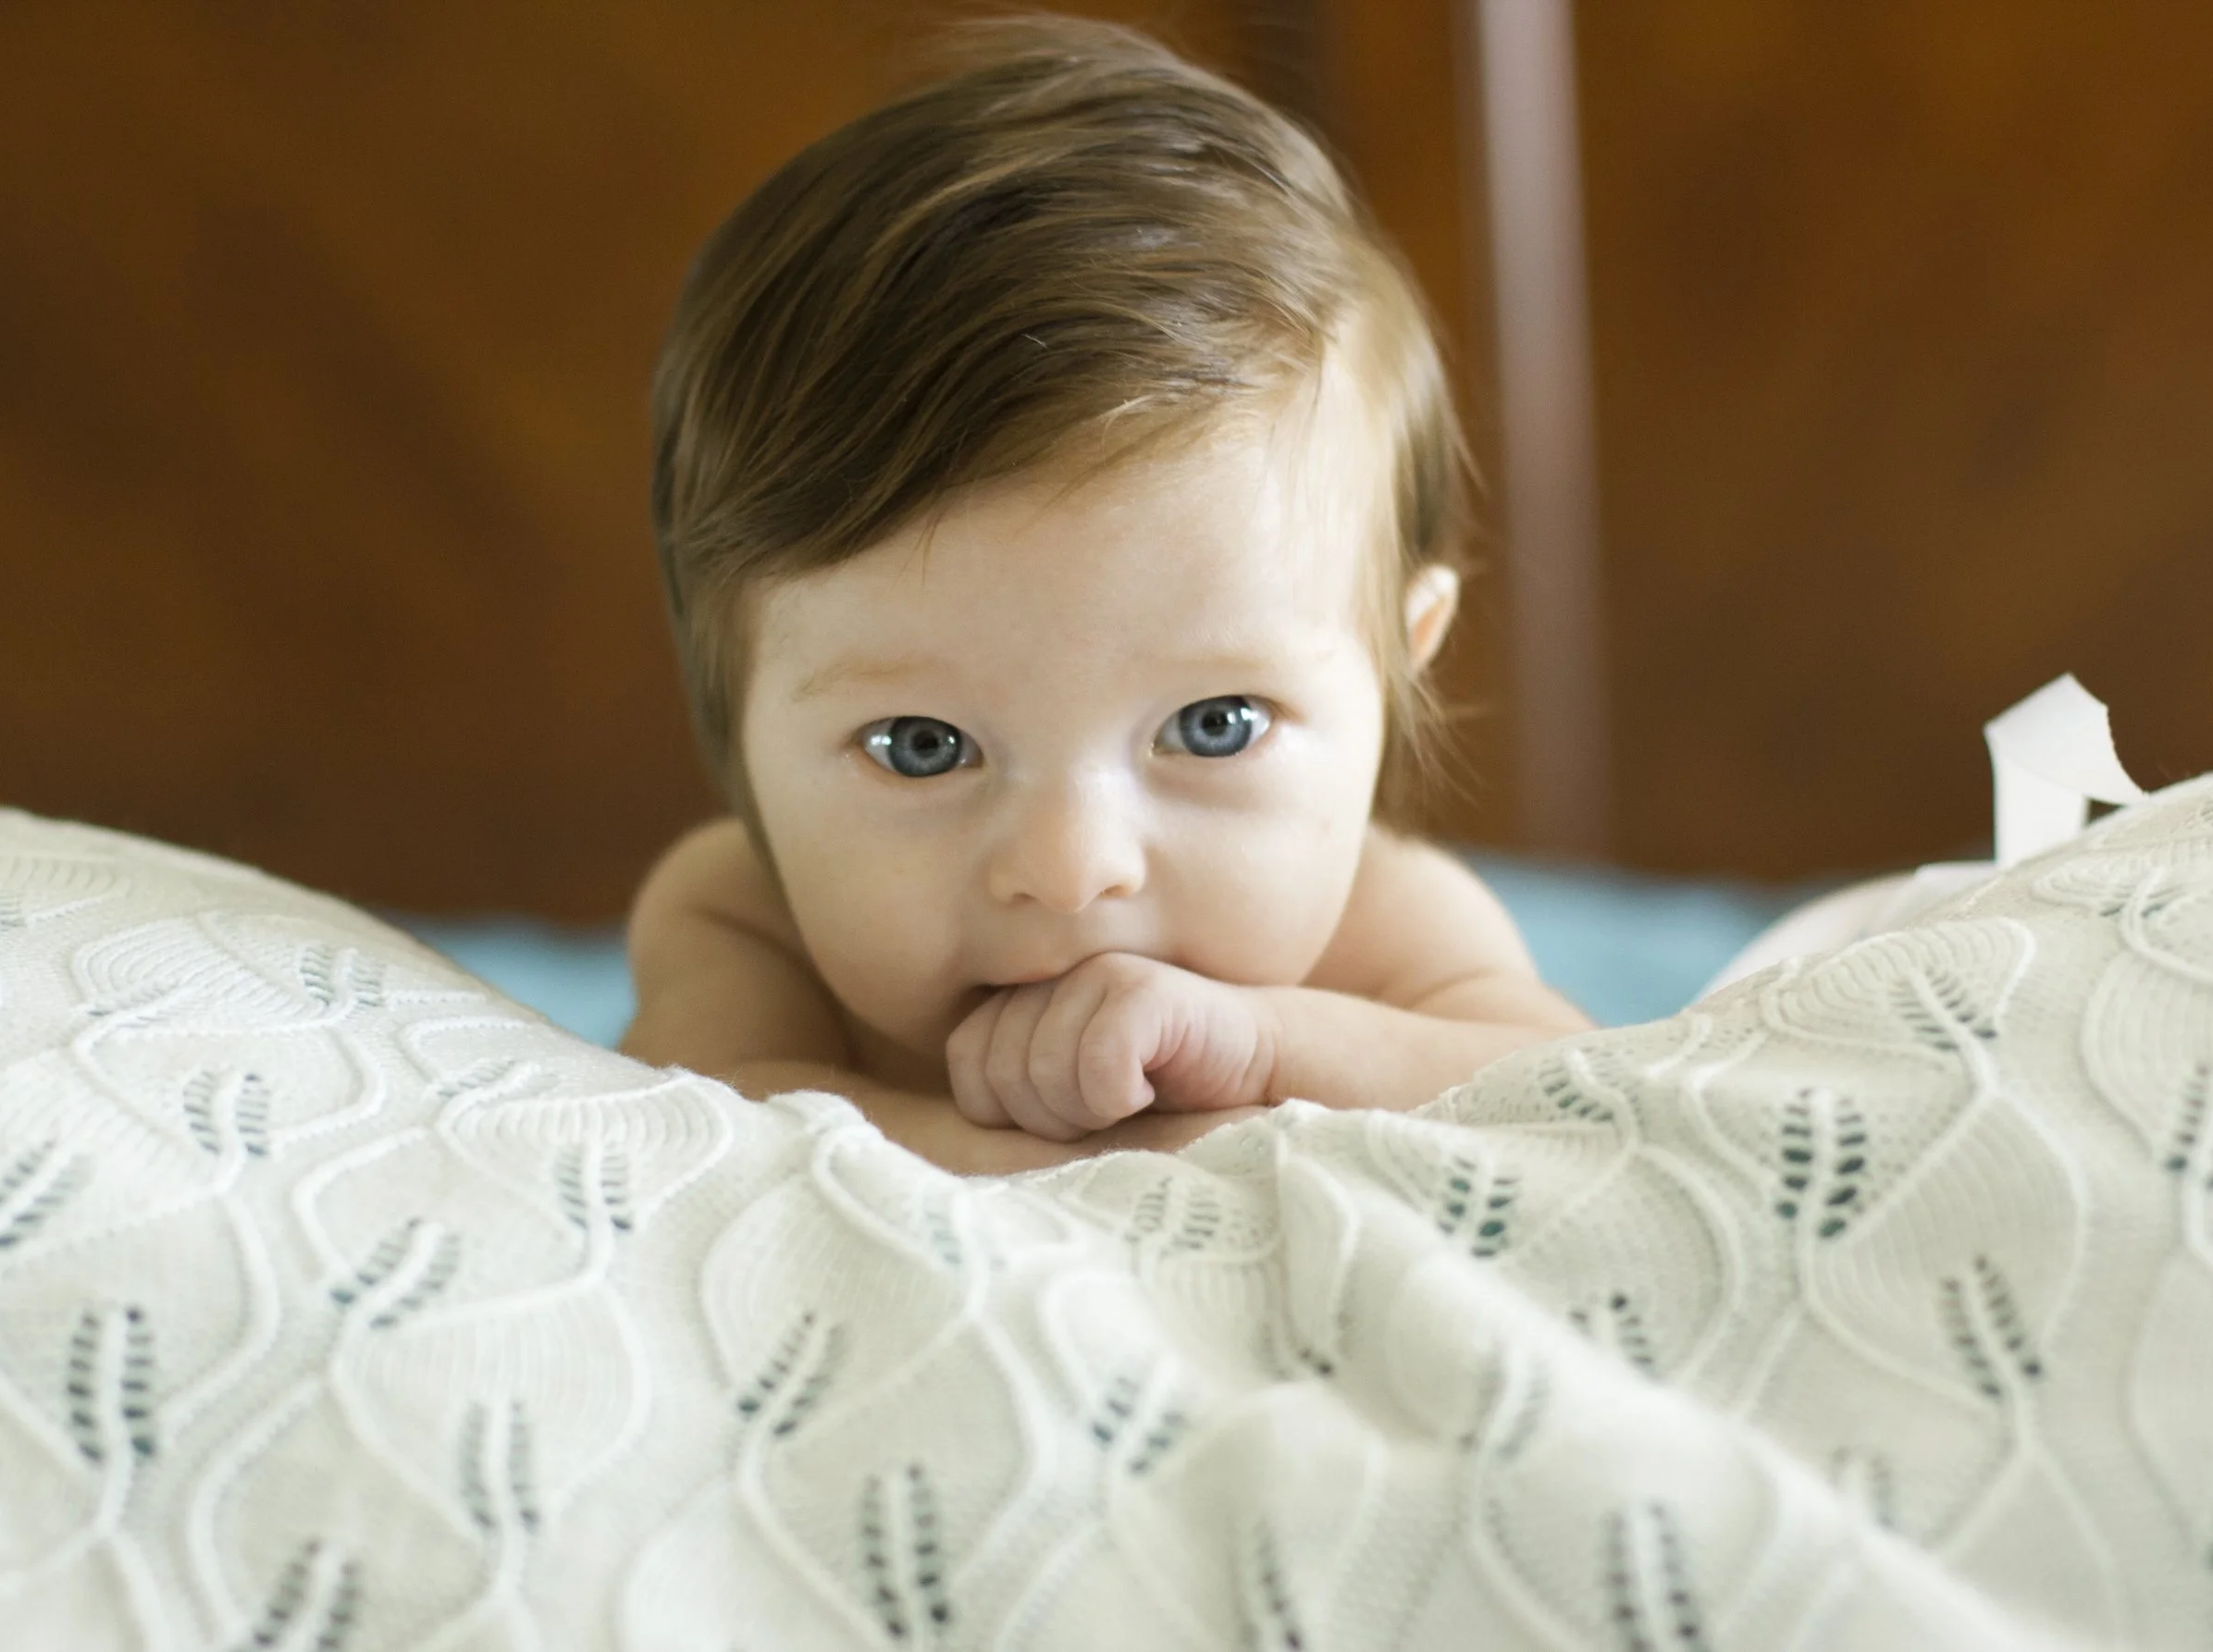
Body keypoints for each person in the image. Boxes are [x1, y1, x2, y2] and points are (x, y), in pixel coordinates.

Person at [621, 17, 1588, 1174]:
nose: (1073, 867)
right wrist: (1070, 1172)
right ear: (732, 719)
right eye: (923, 745)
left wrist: (1263, 1046)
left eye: (1211, 725)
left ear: (1394, 663)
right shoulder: (737, 914)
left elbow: (1572, 1091)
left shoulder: (1393, 927)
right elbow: (708, 1129)